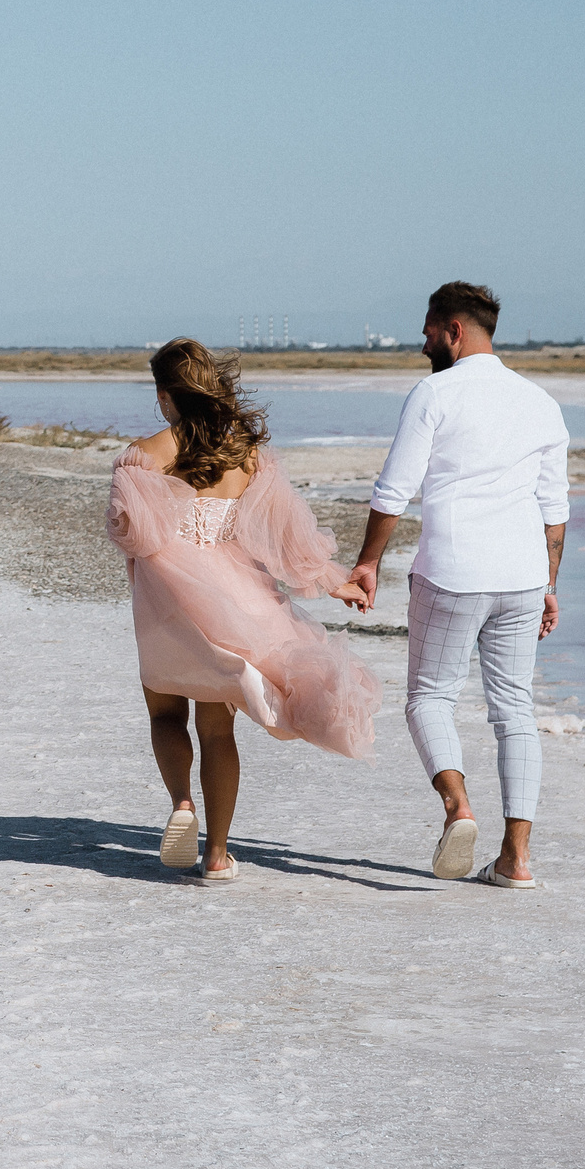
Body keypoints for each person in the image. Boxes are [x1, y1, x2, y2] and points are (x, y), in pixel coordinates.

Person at [107, 338, 382, 882]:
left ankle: (182, 804)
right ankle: (216, 854)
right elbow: (288, 535)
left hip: (165, 604)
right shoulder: (247, 453)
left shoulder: (146, 453)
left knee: (165, 714)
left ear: (165, 395)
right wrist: (335, 582)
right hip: (231, 605)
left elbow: (130, 531)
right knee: (217, 730)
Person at [335, 281, 568, 890]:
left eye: (428, 330)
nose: (423, 342)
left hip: (453, 573)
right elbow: (555, 509)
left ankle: (456, 806)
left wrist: (367, 564)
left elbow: (394, 489)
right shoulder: (540, 401)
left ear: (455, 329)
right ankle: (515, 860)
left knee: (430, 699)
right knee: (515, 710)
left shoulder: (434, 392)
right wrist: (549, 584)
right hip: (522, 578)